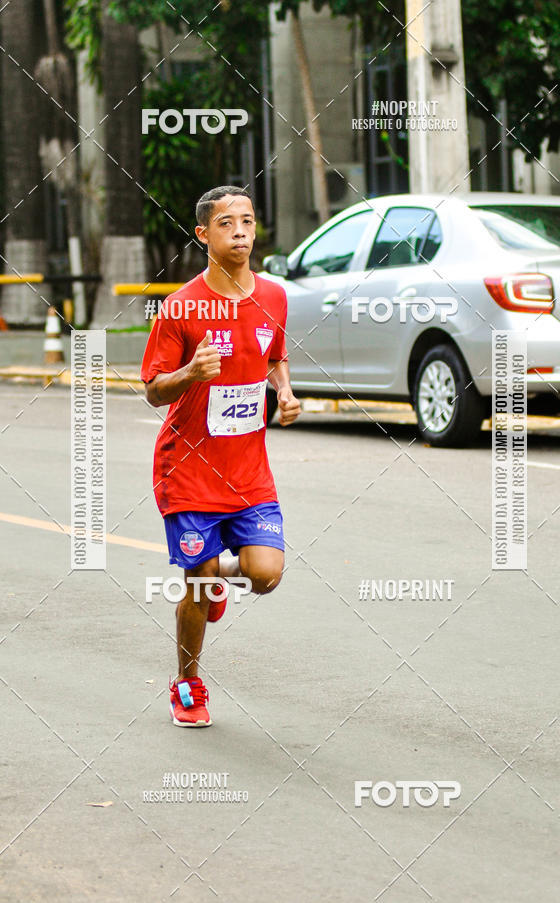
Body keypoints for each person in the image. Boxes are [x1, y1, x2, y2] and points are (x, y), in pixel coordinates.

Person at [141, 185, 301, 727]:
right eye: (228, 223)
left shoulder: (274, 297)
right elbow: (154, 388)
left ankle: (220, 565)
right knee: (200, 581)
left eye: (249, 222)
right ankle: (187, 682)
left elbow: (274, 354)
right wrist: (190, 374)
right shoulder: (181, 306)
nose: (240, 232)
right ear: (203, 234)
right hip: (186, 470)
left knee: (267, 574)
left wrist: (286, 391)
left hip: (248, 471)